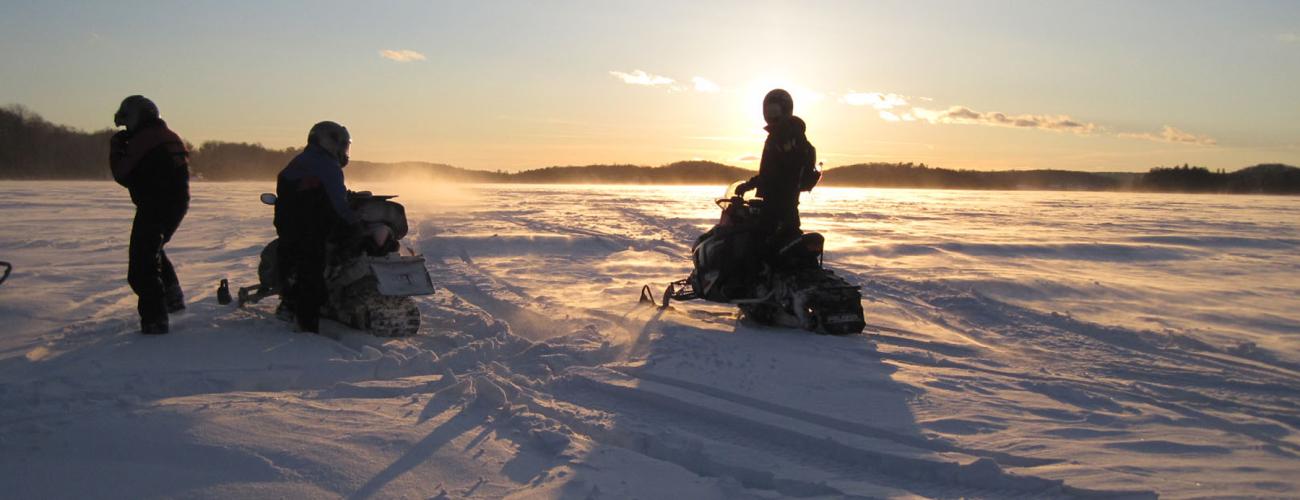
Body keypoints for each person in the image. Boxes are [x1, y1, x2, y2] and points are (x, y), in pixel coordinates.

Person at [109, 95, 190, 334]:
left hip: (156, 205)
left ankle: (155, 320)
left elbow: (122, 173)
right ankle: (173, 297)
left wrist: (117, 149)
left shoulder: (145, 139)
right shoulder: (168, 135)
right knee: (153, 249)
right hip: (174, 204)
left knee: (141, 266)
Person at [274, 121, 360, 334]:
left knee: (300, 265)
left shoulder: (302, 160)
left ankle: (292, 303)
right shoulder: (326, 165)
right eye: (342, 145)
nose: (344, 151)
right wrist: (354, 222)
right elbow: (338, 202)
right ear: (329, 143)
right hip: (310, 226)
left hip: (292, 224)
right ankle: (308, 325)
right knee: (311, 273)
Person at [734, 88, 818, 259]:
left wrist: (753, 185)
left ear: (786, 110)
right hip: (783, 204)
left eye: (775, 111)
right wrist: (750, 184)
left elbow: (778, 172)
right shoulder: (790, 134)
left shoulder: (784, 134)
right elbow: (772, 171)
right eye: (769, 110)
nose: (771, 115)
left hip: (776, 206)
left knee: (753, 251)